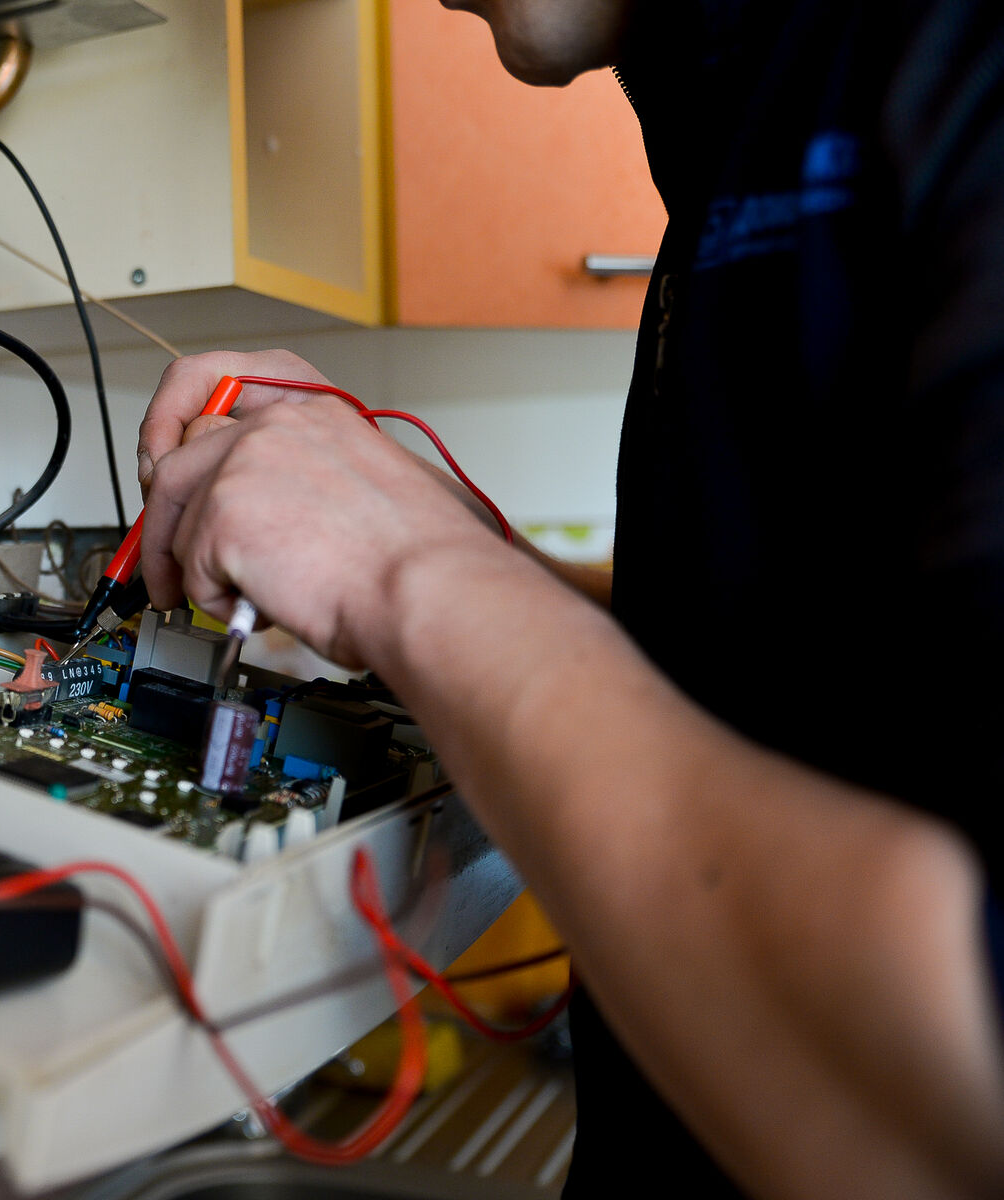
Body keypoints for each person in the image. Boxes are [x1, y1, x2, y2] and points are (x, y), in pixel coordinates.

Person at [132, 2, 1004, 1197]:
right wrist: (435, 533)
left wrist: (407, 570)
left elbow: (964, 1099)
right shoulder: (739, 117)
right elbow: (750, 678)